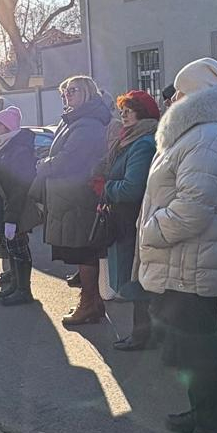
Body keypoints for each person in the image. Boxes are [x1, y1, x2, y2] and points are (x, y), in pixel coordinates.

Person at [138, 57, 217, 433]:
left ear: (198, 95)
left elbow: (193, 208)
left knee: (202, 353)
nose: (173, 99)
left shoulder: (207, 135)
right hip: (186, 261)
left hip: (191, 263)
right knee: (193, 348)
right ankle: (201, 415)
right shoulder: (196, 133)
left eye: (180, 91)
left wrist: (150, 230)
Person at [38, 75, 115, 327]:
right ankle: (93, 303)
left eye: (72, 90)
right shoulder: (74, 119)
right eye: (64, 92)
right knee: (82, 252)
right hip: (71, 195)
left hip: (80, 196)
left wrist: (44, 165)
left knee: (85, 252)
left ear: (88, 92)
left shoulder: (88, 123)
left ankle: (88, 304)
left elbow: (69, 158)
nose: (67, 95)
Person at [95, 90, 159, 351]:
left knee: (136, 276)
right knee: (133, 275)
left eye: (128, 111)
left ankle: (143, 335)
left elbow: (133, 188)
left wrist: (106, 188)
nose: (123, 115)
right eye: (121, 110)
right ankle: (142, 332)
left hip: (132, 218)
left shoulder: (142, 143)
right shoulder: (128, 138)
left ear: (142, 114)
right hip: (124, 217)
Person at [0, 106, 40, 305]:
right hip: (2, 209)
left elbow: (19, 187)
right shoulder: (0, 146)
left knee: (19, 249)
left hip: (15, 210)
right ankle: (16, 286)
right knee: (12, 249)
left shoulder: (18, 150)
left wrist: (11, 218)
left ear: (9, 126)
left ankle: (24, 291)